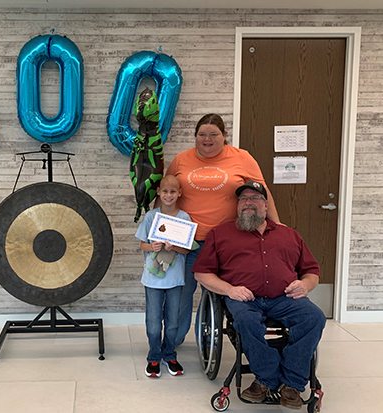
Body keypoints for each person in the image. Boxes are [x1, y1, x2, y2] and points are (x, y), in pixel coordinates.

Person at [193, 181, 325, 410]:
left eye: (254, 199)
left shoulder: (289, 234)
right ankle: (266, 378)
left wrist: (305, 285)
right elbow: (202, 273)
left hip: (284, 297)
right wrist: (229, 290)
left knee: (314, 317)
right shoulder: (220, 234)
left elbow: (312, 271)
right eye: (243, 199)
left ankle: (292, 383)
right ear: (237, 206)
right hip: (243, 299)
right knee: (245, 322)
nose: (248, 203)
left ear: (265, 205)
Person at [165, 113, 281, 346]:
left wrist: (276, 227)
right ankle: (171, 343)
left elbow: (262, 193)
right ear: (195, 136)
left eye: (213, 135)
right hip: (187, 242)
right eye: (202, 135)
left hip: (229, 242)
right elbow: (167, 195)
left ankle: (211, 341)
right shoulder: (181, 160)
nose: (207, 139)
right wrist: (159, 230)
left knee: (224, 295)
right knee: (180, 295)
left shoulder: (242, 158)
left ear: (224, 136)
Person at [135, 175, 191, 378]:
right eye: (165, 191)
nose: (169, 195)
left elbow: (186, 251)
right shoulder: (151, 216)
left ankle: (170, 354)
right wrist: (153, 246)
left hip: (175, 279)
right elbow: (142, 244)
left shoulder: (184, 218)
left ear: (179, 194)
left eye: (173, 191)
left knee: (173, 321)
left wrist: (173, 246)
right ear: (159, 192)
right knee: (153, 321)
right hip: (152, 279)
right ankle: (154, 356)